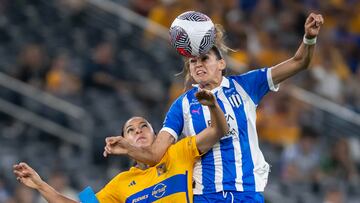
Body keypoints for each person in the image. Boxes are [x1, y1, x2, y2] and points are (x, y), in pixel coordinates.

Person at [107, 12, 324, 202]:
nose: (198, 64)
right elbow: (155, 154)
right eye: (193, 62)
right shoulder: (182, 104)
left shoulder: (246, 85)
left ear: (221, 64)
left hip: (247, 192)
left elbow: (299, 62)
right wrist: (129, 148)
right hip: (205, 195)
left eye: (204, 59)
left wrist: (309, 38)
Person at [13, 89, 229, 203]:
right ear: (124, 139)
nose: (139, 131)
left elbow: (218, 131)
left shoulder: (178, 152)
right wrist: (41, 185)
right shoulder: (120, 183)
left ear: (156, 135)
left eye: (144, 126)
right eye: (131, 130)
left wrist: (213, 107)